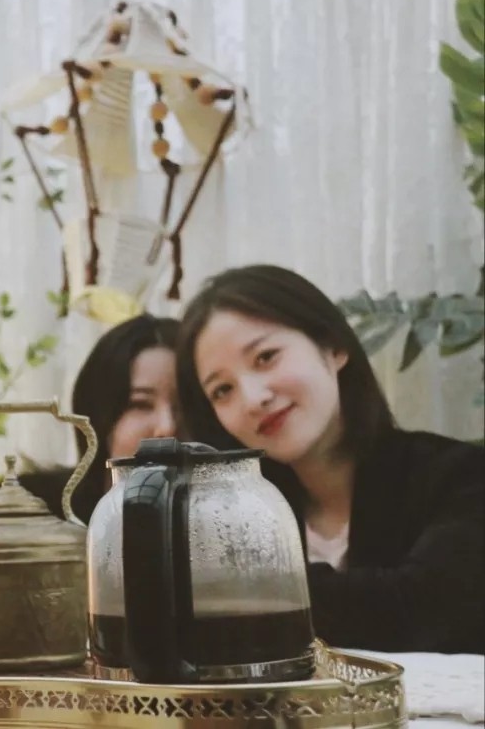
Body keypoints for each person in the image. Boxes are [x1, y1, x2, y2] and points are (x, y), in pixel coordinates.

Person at [175, 264, 484, 654]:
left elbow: (424, 611)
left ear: (334, 346)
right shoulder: (232, 520)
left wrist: (240, 590)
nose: (253, 399)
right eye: (222, 390)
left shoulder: (461, 476)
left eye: (266, 357)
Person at [20, 314, 180, 523]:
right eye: (140, 404)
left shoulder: (213, 523)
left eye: (184, 405)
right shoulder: (30, 510)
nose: (167, 427)